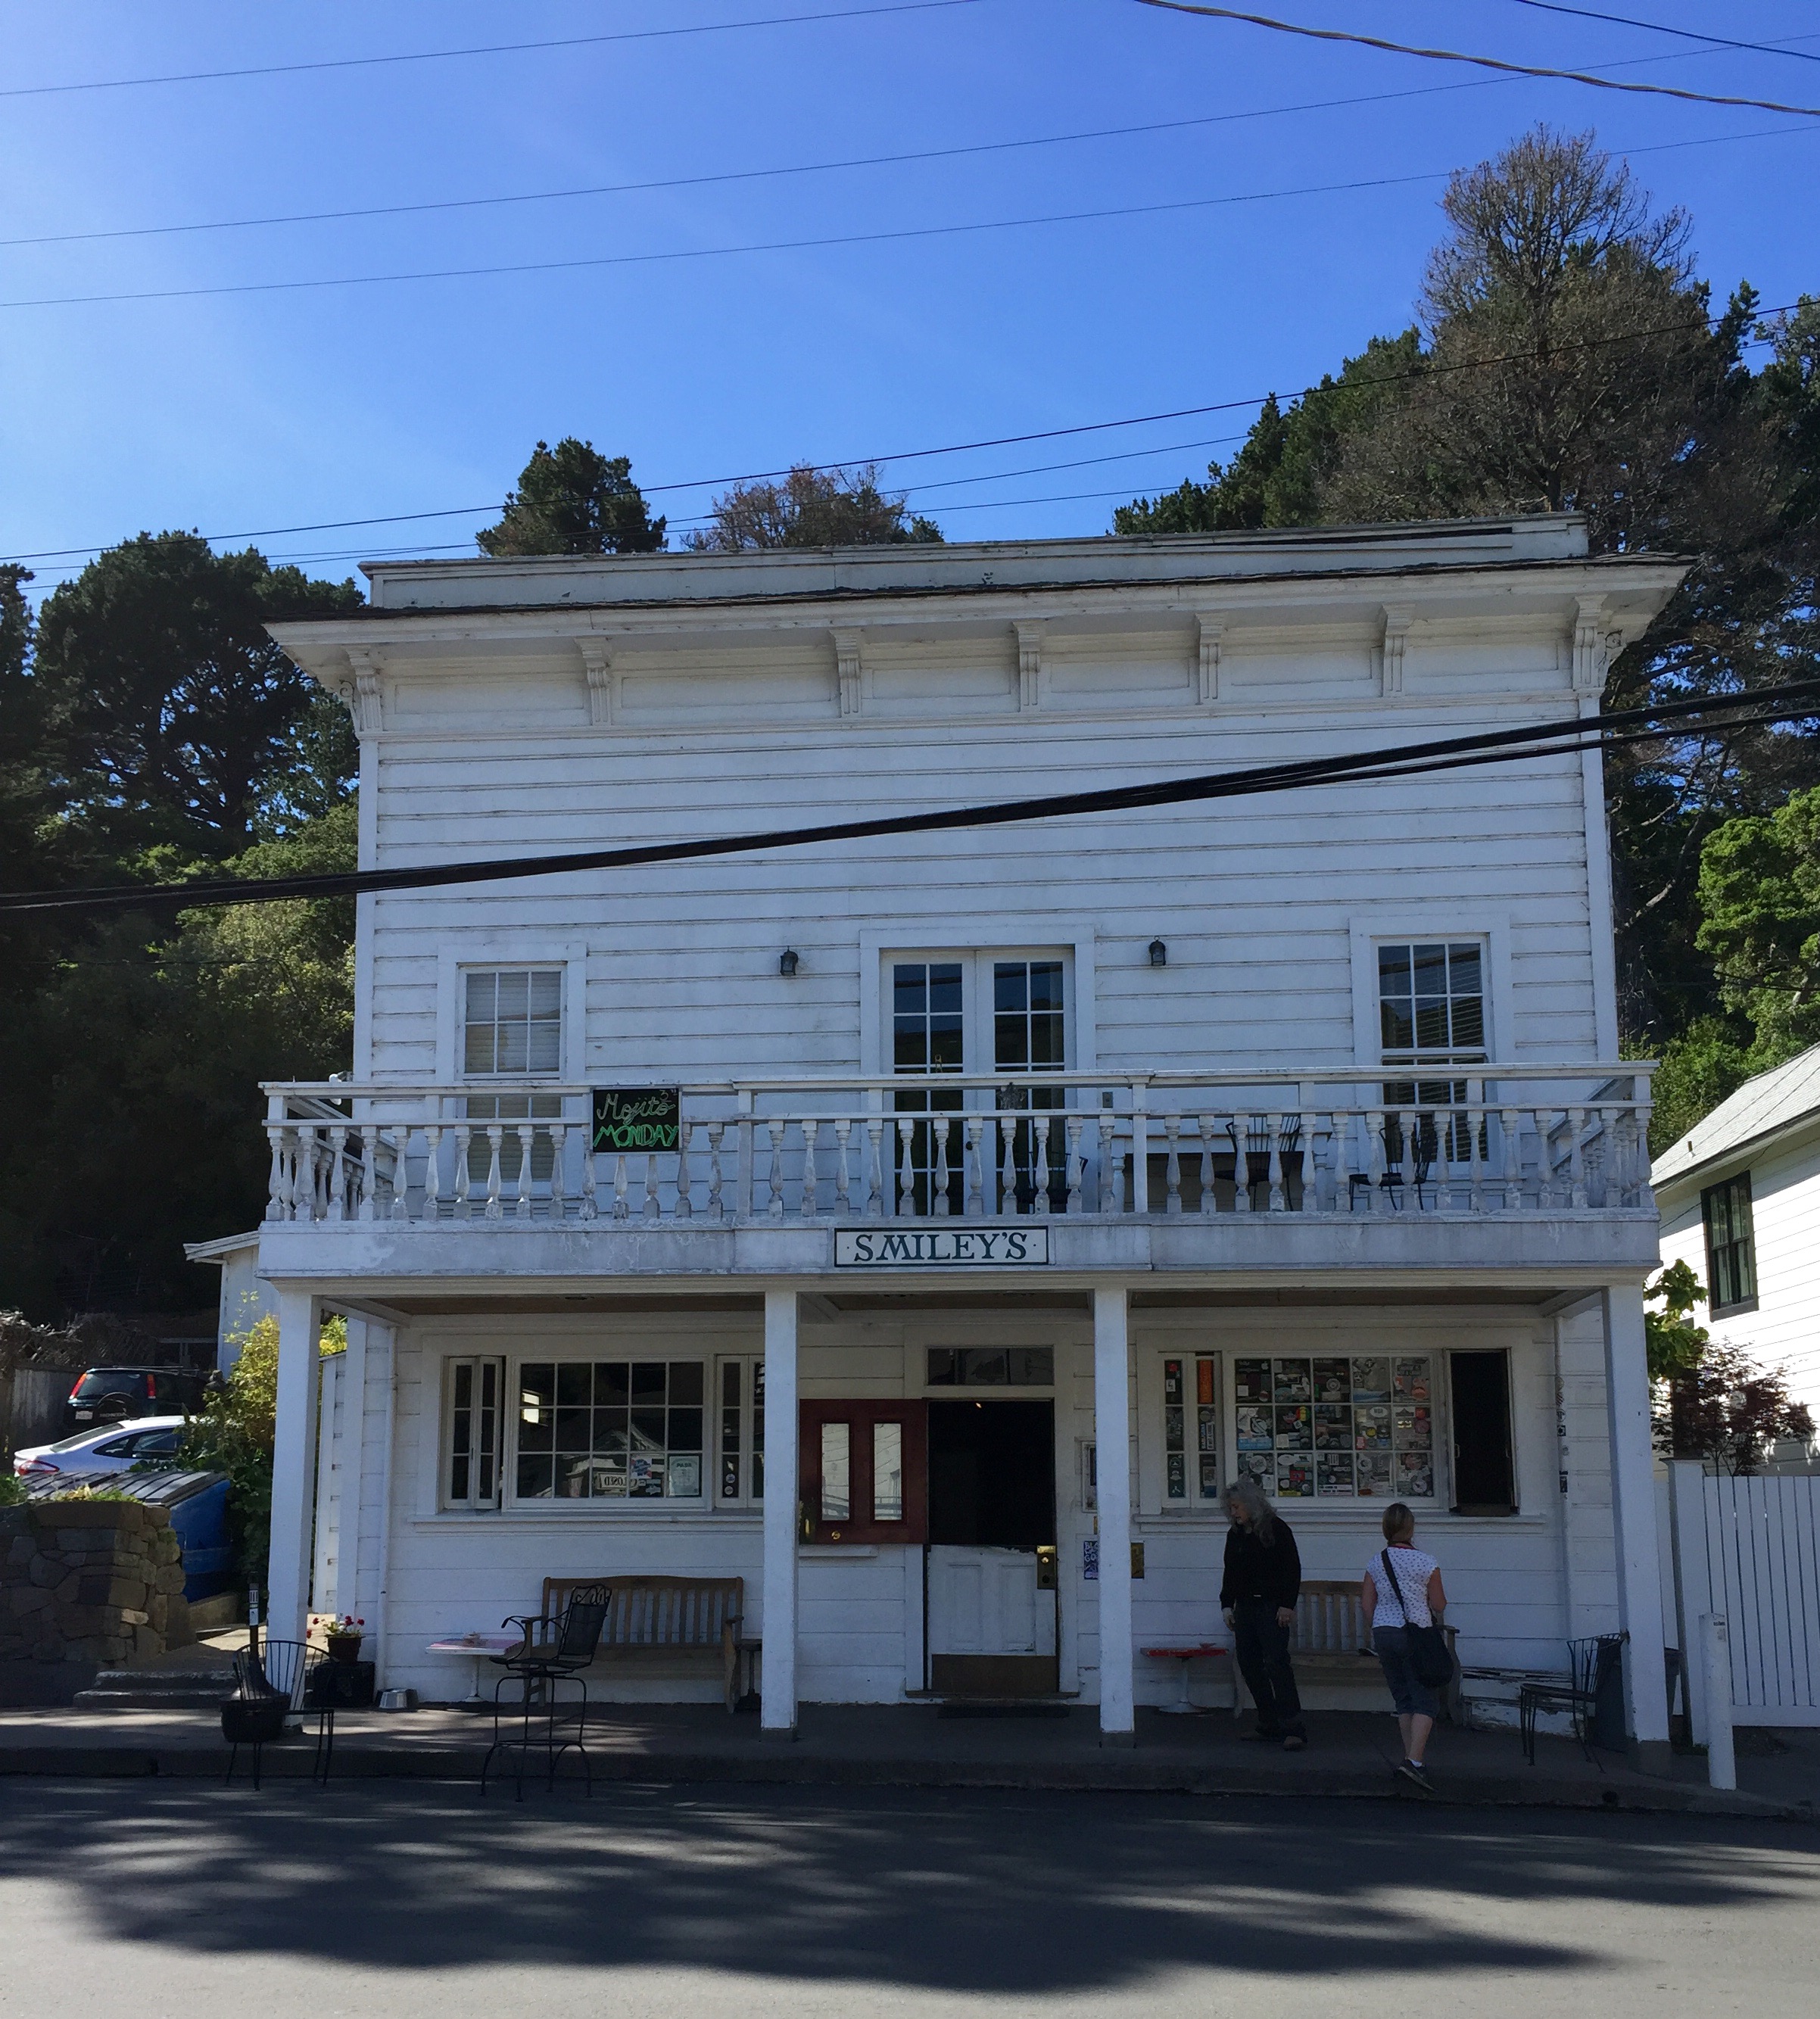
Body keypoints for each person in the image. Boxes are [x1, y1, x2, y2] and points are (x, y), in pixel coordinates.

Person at [1362, 1501, 1448, 1793]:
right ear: (1411, 1528)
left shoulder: (1376, 1562)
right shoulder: (1426, 1562)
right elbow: (1439, 1604)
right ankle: (1414, 1762)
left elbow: (1367, 1604)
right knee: (1425, 1700)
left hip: (1384, 1632)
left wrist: (1379, 1625)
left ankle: (1411, 1759)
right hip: (1415, 1634)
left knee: (1403, 1699)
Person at [1220, 1478, 1305, 1750]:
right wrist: (1226, 1604)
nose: (1233, 1512)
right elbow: (1230, 1572)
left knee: (1277, 1664)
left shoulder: (1277, 1529)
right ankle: (1269, 1722)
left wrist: (1287, 1605)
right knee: (1249, 1663)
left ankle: (1293, 1728)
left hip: (1271, 1607)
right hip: (1245, 1606)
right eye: (1230, 1508)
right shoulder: (1235, 1535)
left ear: (1251, 1504)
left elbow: (1291, 1569)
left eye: (1236, 1507)